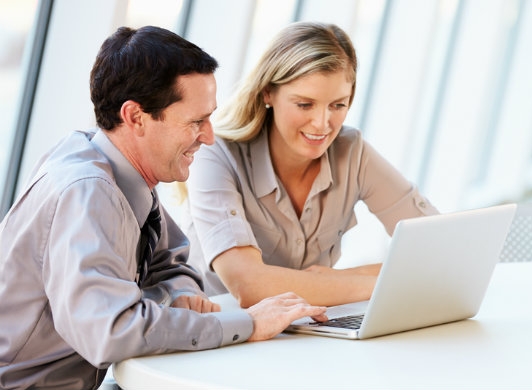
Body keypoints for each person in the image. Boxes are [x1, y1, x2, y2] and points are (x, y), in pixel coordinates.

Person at [0, 26, 326, 389]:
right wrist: (247, 325)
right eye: (195, 121)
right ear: (136, 117)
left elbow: (172, 261)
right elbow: (112, 331)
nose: (209, 136)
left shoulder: (121, 173)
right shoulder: (88, 192)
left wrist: (178, 294)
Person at [183, 21, 439, 309]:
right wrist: (380, 283)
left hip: (307, 332)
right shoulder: (215, 154)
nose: (322, 124)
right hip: (219, 334)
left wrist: (338, 279)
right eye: (305, 104)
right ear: (268, 92)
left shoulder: (351, 152)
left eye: (338, 105)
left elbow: (438, 247)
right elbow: (249, 285)